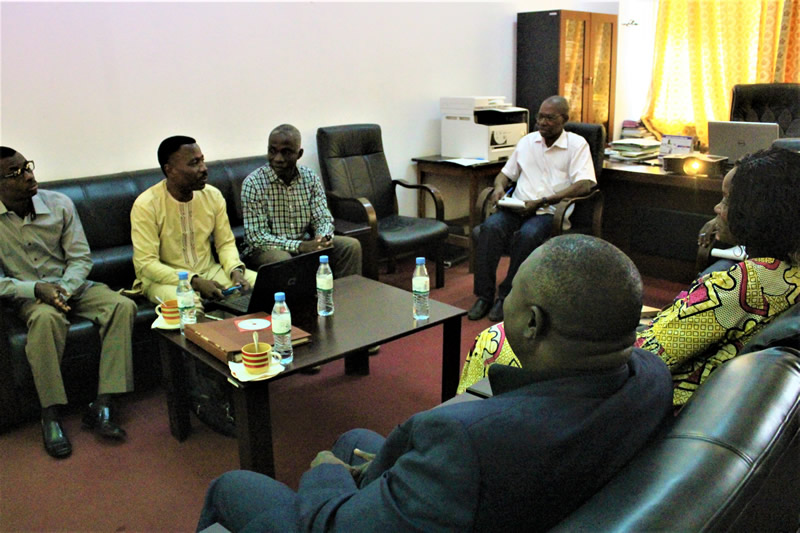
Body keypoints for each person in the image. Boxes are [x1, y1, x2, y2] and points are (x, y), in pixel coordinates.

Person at [196, 234, 673, 532]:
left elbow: (331, 525)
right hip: (529, 495)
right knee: (352, 439)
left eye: (512, 296)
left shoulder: (466, 442)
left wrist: (324, 472)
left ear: (532, 323)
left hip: (471, 492)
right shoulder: (652, 376)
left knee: (231, 485)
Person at [636, 146, 800, 407]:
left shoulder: (737, 287)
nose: (716, 207)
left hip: (659, 402)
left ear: (756, 210)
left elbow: (645, 355)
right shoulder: (788, 272)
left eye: (726, 200)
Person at [0, 147, 137, 458]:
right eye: (15, 173)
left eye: (27, 167)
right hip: (29, 295)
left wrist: (63, 289)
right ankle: (49, 414)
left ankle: (103, 403)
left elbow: (80, 257)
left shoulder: (59, 203)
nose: (29, 175)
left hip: (73, 285)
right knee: (47, 319)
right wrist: (37, 289)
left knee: (121, 306)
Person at [469, 96, 596, 322]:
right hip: (516, 207)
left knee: (528, 236)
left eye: (550, 118)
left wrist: (545, 200)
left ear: (564, 119)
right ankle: (484, 296)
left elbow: (586, 183)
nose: (542, 122)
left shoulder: (577, 145)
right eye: (540, 117)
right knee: (489, 228)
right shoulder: (527, 142)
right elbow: (505, 174)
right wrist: (499, 188)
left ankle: (507, 296)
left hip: (549, 212)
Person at [131, 136, 256, 306]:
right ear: (170, 170)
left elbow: (225, 244)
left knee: (263, 285)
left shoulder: (213, 196)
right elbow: (146, 263)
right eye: (194, 163)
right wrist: (194, 281)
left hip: (209, 271)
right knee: (188, 301)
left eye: (202, 160)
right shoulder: (147, 205)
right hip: (163, 281)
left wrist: (236, 271)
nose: (203, 169)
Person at [240, 124, 361, 277]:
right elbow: (257, 238)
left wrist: (322, 238)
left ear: (299, 154)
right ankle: (293, 301)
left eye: (286, 152)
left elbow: (322, 218)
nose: (278, 159)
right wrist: (300, 246)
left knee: (350, 246)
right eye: (272, 151)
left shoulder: (310, 178)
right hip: (265, 249)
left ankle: (345, 297)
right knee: (282, 259)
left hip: (306, 242)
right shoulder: (253, 183)